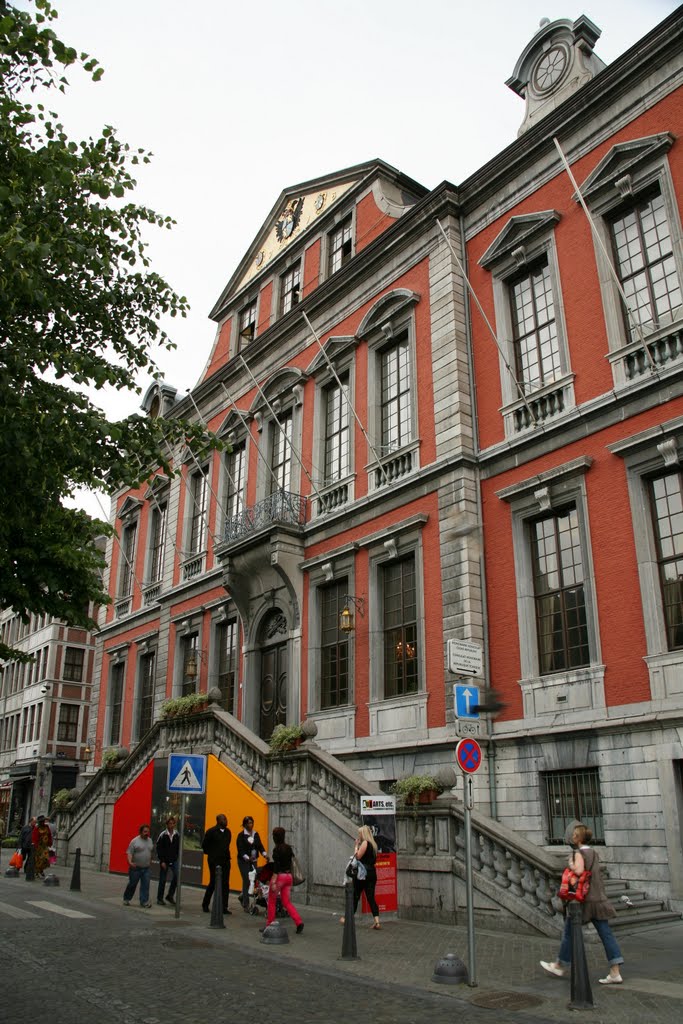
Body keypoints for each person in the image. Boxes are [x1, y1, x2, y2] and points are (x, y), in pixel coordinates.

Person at [541, 823, 624, 985]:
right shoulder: (593, 852)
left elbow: (578, 871)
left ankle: (559, 965)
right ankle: (615, 971)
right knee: (606, 934)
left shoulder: (578, 853)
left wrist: (571, 864)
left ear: (577, 838)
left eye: (573, 835)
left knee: (569, 932)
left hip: (583, 901)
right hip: (598, 899)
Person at [263, 826, 303, 934]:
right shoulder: (288, 848)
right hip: (288, 877)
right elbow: (291, 861)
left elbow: (276, 866)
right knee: (286, 902)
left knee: (271, 901)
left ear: (275, 838)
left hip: (279, 877)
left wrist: (274, 881)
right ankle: (298, 922)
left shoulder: (276, 849)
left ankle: (269, 924)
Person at [340, 824, 381, 930]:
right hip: (372, 873)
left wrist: (356, 846)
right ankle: (377, 921)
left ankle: (347, 918)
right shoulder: (374, 845)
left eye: (359, 833)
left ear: (363, 834)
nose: (359, 836)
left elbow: (357, 856)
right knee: (371, 897)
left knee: (355, 896)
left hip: (362, 874)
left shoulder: (365, 843)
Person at [201, 813, 232, 915]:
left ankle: (224, 906)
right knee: (213, 882)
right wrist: (212, 854)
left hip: (225, 860)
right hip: (214, 860)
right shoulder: (211, 832)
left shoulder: (228, 832)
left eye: (226, 819)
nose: (226, 821)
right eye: (223, 819)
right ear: (218, 821)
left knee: (225, 883)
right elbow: (204, 845)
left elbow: (227, 844)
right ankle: (205, 904)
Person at [236, 815, 267, 912]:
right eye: (249, 823)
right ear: (245, 824)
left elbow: (260, 846)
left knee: (253, 880)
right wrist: (247, 857)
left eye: (252, 822)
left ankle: (242, 896)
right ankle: (246, 904)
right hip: (244, 861)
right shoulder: (241, 836)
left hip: (253, 861)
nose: (251, 824)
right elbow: (240, 850)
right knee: (247, 880)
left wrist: (264, 854)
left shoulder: (255, 834)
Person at [122, 824, 154, 908]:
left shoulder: (150, 840)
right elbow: (129, 852)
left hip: (146, 868)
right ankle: (126, 898)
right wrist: (130, 862)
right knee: (132, 884)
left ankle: (144, 901)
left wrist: (150, 860)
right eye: (145, 831)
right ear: (141, 832)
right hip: (135, 868)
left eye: (148, 831)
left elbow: (151, 851)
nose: (147, 833)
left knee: (145, 885)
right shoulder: (134, 841)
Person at [156, 816, 180, 906]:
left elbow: (178, 847)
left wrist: (176, 856)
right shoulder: (163, 835)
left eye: (173, 823)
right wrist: (162, 861)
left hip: (174, 860)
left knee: (177, 876)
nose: (172, 825)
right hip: (164, 860)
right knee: (163, 879)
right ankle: (160, 898)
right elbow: (159, 848)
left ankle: (170, 895)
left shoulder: (177, 834)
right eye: (170, 823)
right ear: (167, 824)